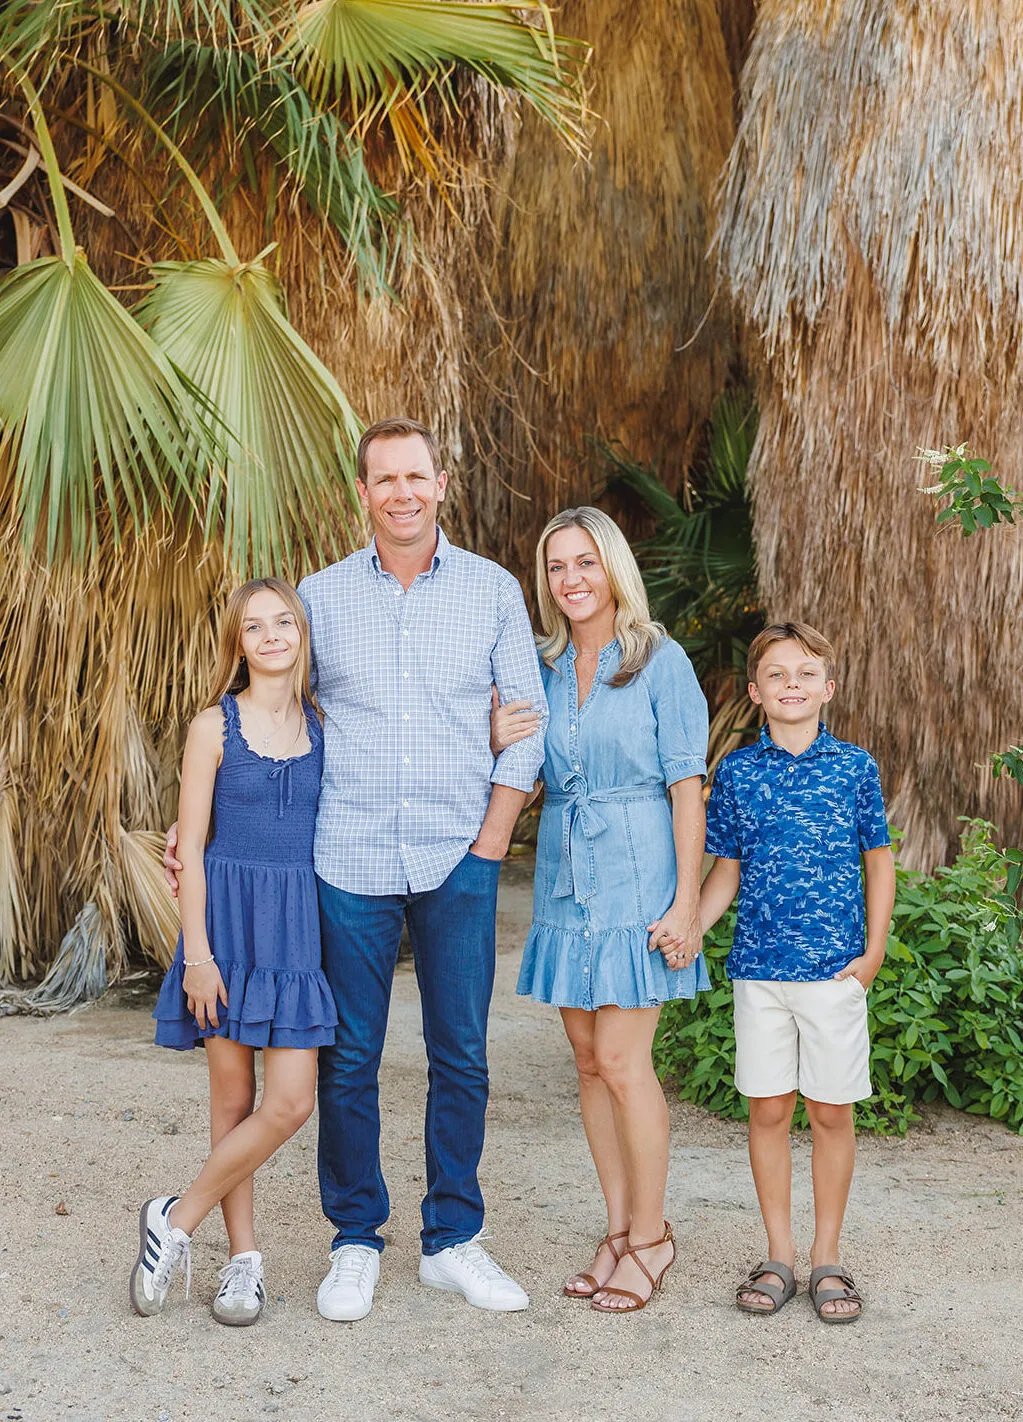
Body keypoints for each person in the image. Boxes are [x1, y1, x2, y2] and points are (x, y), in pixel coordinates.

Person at [298, 418, 547, 1319]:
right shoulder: (317, 598)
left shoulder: (490, 590)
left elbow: (527, 722)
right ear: (360, 493)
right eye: (382, 479)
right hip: (347, 856)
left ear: (442, 483)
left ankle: (452, 1238)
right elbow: (279, 715)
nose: (400, 492)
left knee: (463, 1053)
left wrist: (490, 844)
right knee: (348, 1056)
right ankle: (356, 1236)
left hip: (457, 856)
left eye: (416, 476)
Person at [498, 506, 709, 1314]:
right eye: (557, 567)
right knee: (587, 1064)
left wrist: (685, 900)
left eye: (585, 562)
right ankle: (618, 1228)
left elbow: (686, 786)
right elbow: (518, 754)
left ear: (612, 567)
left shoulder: (661, 660)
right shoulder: (542, 666)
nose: (571, 579)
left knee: (624, 1062)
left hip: (638, 873)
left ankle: (652, 1238)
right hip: (563, 873)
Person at [132, 579, 337, 1326]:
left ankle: (174, 1220)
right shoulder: (211, 728)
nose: (273, 635)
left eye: (285, 621)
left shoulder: (325, 723)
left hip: (296, 930)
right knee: (232, 1101)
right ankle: (242, 1263)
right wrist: (197, 956)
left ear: (302, 634)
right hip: (226, 931)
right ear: (238, 642)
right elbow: (190, 849)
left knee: (290, 1103)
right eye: (256, 626)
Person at [699, 622, 896, 1322]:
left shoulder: (853, 768)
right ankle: (778, 1255)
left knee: (830, 1111)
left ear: (827, 687)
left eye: (805, 673)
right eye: (777, 675)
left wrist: (870, 954)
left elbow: (878, 861)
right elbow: (725, 869)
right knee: (769, 1109)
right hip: (758, 970)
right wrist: (692, 925)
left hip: (834, 973)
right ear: (755, 693)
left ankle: (826, 1258)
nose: (791, 684)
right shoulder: (737, 773)